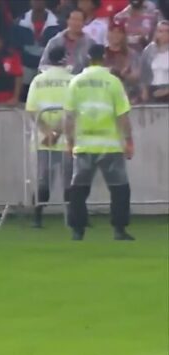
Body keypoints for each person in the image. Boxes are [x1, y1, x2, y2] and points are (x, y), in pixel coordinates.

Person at [64, 44, 136, 241]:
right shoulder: (113, 82)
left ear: (88, 58)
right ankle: (119, 230)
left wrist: (69, 142)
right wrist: (128, 140)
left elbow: (69, 117)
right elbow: (122, 116)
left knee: (78, 189)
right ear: (104, 58)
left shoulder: (75, 82)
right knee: (119, 188)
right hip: (110, 144)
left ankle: (77, 231)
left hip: (85, 143)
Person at [25, 46, 74, 228]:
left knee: (43, 179)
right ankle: (72, 217)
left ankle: (37, 217)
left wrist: (48, 132)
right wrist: (58, 132)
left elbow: (31, 110)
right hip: (66, 138)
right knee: (69, 179)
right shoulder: (72, 81)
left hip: (43, 138)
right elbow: (72, 111)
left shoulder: (38, 80)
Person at [41, 9, 96, 74]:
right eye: (73, 19)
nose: (75, 23)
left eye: (79, 20)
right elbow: (43, 65)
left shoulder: (90, 43)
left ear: (84, 23)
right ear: (67, 21)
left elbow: (94, 67)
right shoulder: (55, 41)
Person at [105, 21, 143, 102]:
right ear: (108, 34)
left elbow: (137, 76)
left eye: (119, 32)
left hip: (126, 95)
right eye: (113, 32)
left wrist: (123, 75)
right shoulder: (102, 54)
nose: (115, 35)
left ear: (123, 35)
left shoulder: (132, 54)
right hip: (105, 95)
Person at [140, 19, 169, 102]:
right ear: (156, 33)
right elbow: (144, 73)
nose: (164, 34)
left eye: (167, 31)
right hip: (152, 89)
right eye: (160, 31)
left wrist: (166, 91)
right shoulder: (149, 50)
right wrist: (144, 91)